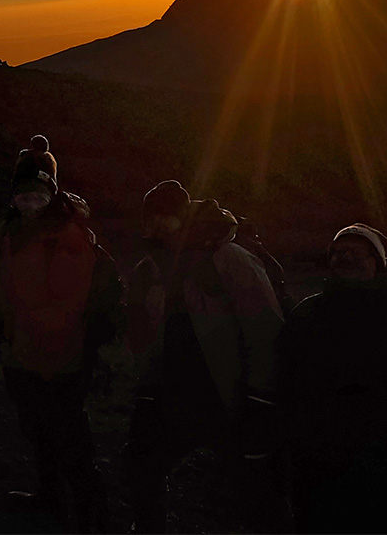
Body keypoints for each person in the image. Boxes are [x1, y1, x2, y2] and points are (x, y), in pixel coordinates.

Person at [0, 135, 123, 533]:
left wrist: (4, 322)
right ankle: (51, 501)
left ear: (50, 194)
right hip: (22, 355)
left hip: (62, 359)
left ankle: (91, 518)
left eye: (37, 198)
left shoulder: (68, 239)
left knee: (71, 443)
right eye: (22, 198)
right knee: (38, 432)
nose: (28, 205)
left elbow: (68, 304)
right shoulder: (9, 234)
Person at [124, 180, 286, 534]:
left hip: (226, 395)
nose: (158, 227)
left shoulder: (230, 258)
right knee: (140, 463)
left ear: (182, 217)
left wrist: (260, 398)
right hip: (171, 390)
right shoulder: (151, 266)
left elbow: (264, 329)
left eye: (165, 218)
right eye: (152, 220)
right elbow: (146, 332)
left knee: (252, 485)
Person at [280, 224, 387, 534]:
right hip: (319, 460)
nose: (345, 258)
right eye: (339, 252)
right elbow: (287, 380)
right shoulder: (306, 316)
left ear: (377, 263)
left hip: (384, 463)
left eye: (356, 252)